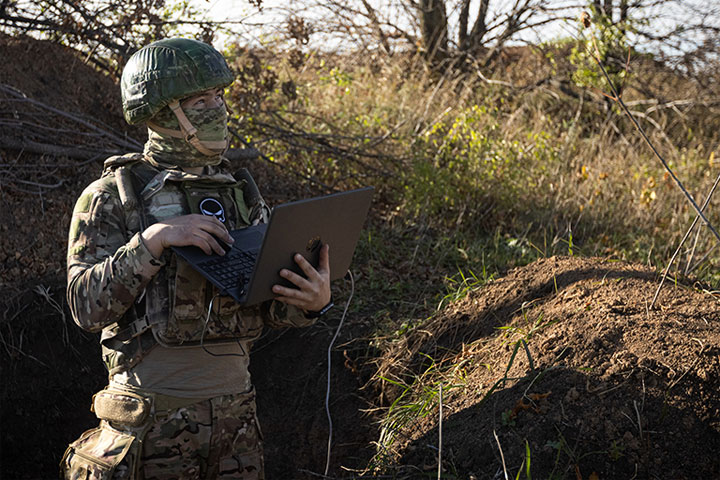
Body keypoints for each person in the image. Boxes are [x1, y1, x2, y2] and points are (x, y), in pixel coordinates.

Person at [60, 38, 333, 480]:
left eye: (219, 96)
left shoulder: (243, 197)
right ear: (162, 112)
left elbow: (269, 305)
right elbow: (84, 307)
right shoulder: (112, 196)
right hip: (149, 428)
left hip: (236, 430)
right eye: (200, 100)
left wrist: (312, 301)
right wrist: (154, 240)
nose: (218, 109)